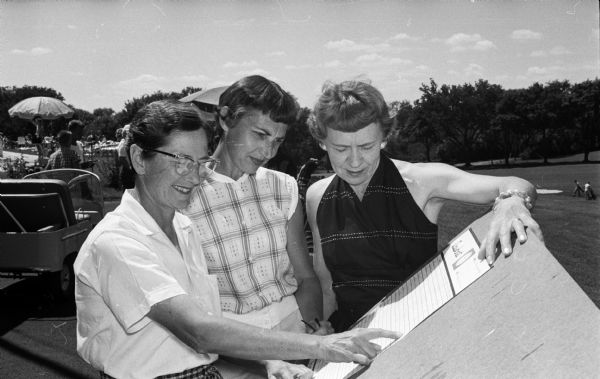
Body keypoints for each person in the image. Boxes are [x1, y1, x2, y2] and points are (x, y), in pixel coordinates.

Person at [74, 100, 400, 379]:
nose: (195, 175)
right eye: (179, 160)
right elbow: (199, 331)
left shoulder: (182, 228)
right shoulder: (117, 240)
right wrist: (324, 345)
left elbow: (208, 328)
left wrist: (269, 362)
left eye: (201, 162)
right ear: (138, 158)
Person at [305, 80, 544, 332]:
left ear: (384, 138)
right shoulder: (317, 196)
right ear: (322, 142)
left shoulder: (421, 181)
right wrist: (321, 330)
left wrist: (511, 202)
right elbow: (326, 285)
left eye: (366, 146)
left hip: (419, 330)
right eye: (340, 148)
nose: (354, 161)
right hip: (351, 336)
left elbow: (514, 183)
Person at [183, 76, 332, 376]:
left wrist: (314, 334)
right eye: (260, 134)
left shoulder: (283, 187)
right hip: (230, 350)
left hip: (293, 331)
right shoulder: (185, 194)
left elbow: (305, 277)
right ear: (225, 119)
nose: (269, 151)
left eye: (277, 140)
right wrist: (264, 362)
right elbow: (193, 316)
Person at [117, 124, 135, 189]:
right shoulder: (123, 143)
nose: (129, 134)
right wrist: (130, 168)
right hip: (127, 170)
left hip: (129, 169)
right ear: (124, 133)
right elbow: (121, 158)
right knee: (129, 189)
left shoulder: (129, 142)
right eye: (127, 132)